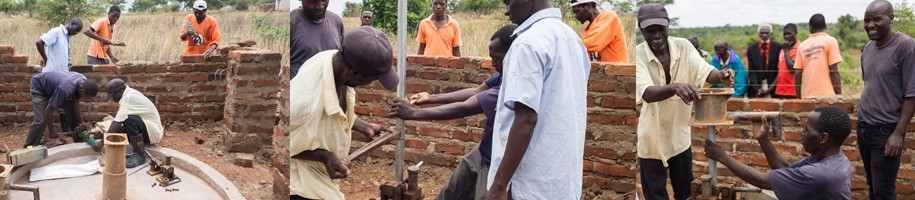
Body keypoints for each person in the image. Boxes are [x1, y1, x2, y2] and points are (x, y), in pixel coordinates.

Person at [388, 24, 516, 200]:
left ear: (512, 54)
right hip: (484, 150)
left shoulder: (512, 86)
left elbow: (466, 107)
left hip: (498, 163)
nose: (493, 63)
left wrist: (413, 114)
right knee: (450, 192)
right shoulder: (502, 73)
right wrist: (431, 98)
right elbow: (476, 91)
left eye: (496, 58)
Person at [484, 0, 589, 199]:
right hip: (561, 182)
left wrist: (499, 186)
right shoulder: (572, 39)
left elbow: (526, 119)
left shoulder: (527, 43)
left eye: (508, 2)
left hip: (528, 184)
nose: (507, 11)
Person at [635, 4, 734, 199]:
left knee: (686, 193)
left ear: (668, 26)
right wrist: (674, 87)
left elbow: (706, 72)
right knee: (655, 195)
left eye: (660, 29)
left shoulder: (683, 46)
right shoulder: (638, 54)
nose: (656, 35)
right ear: (641, 29)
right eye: (650, 30)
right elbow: (646, 92)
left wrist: (721, 75)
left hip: (679, 137)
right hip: (651, 139)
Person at [289, 26, 396, 200]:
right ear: (354, 73)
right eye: (374, 78)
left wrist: (365, 126)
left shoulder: (335, 60)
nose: (373, 82)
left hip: (320, 179)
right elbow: (281, 145)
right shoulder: (303, 104)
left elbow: (330, 113)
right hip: (302, 184)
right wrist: (325, 156)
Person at [704, 106, 852, 199]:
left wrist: (722, 157)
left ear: (823, 138)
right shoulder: (835, 158)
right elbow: (785, 168)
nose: (802, 132)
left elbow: (761, 180)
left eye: (807, 129)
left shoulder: (819, 175)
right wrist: (763, 139)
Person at [858, 1, 915, 199]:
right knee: (872, 185)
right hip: (864, 128)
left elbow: (912, 93)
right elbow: (871, 84)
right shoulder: (868, 47)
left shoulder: (905, 45)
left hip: (886, 131)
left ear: (890, 18)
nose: (870, 24)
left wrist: (898, 133)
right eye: (867, 20)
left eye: (876, 19)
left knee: (884, 192)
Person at [92, 79, 164, 169]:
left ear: (120, 92)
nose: (112, 98)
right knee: (118, 130)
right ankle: (130, 150)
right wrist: (103, 137)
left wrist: (102, 142)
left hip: (153, 133)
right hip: (147, 128)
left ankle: (140, 155)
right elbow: (116, 125)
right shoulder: (127, 94)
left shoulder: (128, 98)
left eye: (113, 95)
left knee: (128, 120)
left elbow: (117, 122)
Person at [25, 71, 98, 148]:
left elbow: (75, 102)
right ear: (82, 91)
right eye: (87, 97)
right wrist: (51, 131)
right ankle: (29, 146)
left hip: (54, 87)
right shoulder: (66, 89)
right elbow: (49, 110)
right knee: (41, 120)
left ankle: (79, 141)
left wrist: (81, 122)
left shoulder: (83, 82)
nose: (86, 99)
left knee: (71, 113)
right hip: (40, 87)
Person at [290, 0, 344, 78]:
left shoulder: (336, 21)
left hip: (329, 87)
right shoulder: (292, 23)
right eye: (313, 1)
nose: (319, 6)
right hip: (301, 88)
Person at [795, 13, 843, 98]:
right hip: (828, 97)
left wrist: (798, 98)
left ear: (810, 28)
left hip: (808, 97)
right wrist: (839, 96)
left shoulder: (802, 46)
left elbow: (798, 74)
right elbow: (834, 71)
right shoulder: (830, 41)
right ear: (825, 27)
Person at [759, 23, 800, 99]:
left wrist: (786, 51)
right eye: (784, 34)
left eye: (789, 34)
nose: (786, 36)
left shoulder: (799, 48)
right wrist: (768, 90)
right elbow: (780, 73)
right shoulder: (782, 50)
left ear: (796, 33)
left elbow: (791, 68)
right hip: (780, 91)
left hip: (792, 92)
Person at [746, 24, 782, 98]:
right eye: (762, 33)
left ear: (771, 33)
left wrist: (769, 89)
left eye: (767, 33)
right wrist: (757, 89)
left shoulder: (778, 47)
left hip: (773, 86)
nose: (764, 35)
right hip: (756, 86)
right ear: (758, 34)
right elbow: (751, 71)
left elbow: (780, 70)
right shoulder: (752, 49)